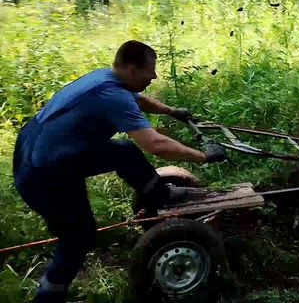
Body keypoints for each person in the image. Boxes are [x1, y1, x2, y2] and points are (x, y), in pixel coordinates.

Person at [12, 40, 226, 303]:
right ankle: (48, 298)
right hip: (43, 172)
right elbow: (155, 144)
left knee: (123, 152)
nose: (154, 76)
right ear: (132, 68)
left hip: (41, 153)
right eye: (151, 69)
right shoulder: (113, 96)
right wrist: (204, 156)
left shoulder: (105, 78)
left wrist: (172, 112)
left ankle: (159, 194)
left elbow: (139, 99)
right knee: (78, 236)